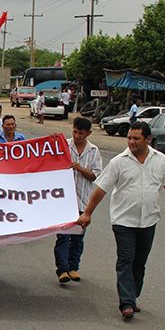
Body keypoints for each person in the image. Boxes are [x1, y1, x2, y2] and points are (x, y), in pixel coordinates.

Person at [77, 122, 165, 320]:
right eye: (129, 138)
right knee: (125, 259)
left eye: (136, 138)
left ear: (148, 139)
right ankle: (126, 302)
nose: (131, 142)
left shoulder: (161, 160)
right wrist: (88, 213)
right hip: (123, 220)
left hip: (148, 220)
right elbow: (101, 188)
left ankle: (132, 296)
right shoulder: (119, 161)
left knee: (139, 262)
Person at [54, 117, 102, 284]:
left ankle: (74, 267)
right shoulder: (63, 146)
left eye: (81, 133)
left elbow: (95, 175)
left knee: (77, 237)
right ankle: (62, 269)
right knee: (62, 237)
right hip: (63, 201)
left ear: (88, 133)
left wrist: (79, 168)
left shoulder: (94, 151)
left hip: (83, 202)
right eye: (75, 132)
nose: (77, 136)